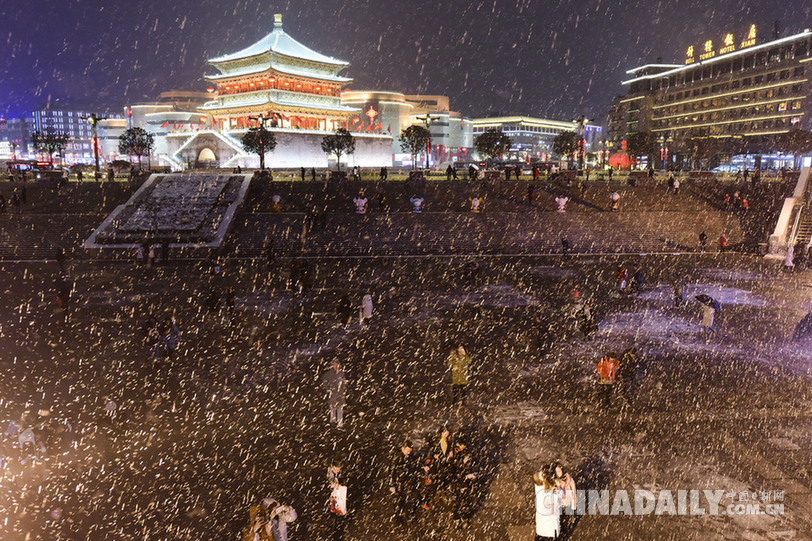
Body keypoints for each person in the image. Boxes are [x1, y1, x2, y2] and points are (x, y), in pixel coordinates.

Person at [389, 440, 418, 524]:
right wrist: (392, 485)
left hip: (407, 481)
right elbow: (392, 471)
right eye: (407, 451)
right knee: (399, 502)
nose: (408, 452)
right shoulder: (397, 457)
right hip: (399, 483)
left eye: (410, 451)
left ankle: (409, 515)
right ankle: (398, 519)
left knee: (409, 499)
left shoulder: (409, 457)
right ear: (403, 448)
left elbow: (413, 466)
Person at [534, 470, 561, 541]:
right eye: (541, 475)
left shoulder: (549, 487)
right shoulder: (541, 491)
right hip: (545, 530)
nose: (543, 474)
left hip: (551, 529)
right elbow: (547, 503)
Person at [553, 463, 577, 535]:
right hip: (560, 504)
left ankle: (565, 534)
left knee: (566, 523)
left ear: (562, 470)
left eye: (559, 471)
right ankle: (561, 534)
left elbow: (574, 491)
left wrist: (574, 504)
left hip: (568, 503)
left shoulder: (569, 479)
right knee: (560, 522)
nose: (558, 473)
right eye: (556, 471)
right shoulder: (556, 481)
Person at [321, 361, 346, 428]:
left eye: (336, 365)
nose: (335, 366)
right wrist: (329, 390)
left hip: (340, 394)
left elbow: (343, 383)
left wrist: (343, 390)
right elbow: (325, 382)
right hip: (332, 394)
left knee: (340, 408)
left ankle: (340, 424)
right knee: (332, 408)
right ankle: (333, 422)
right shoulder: (328, 374)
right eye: (334, 365)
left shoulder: (341, 373)